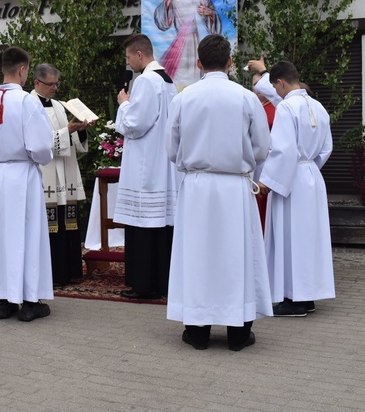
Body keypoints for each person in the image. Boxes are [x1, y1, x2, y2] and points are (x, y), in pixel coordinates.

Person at [166, 35, 273, 351]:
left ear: (198, 64)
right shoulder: (245, 97)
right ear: (229, 63)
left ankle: (197, 331)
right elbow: (262, 147)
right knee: (236, 255)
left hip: (198, 187)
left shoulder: (183, 98)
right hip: (233, 187)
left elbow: (172, 150)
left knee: (197, 255)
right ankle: (239, 332)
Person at [0, 46, 54, 322]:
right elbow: (41, 148)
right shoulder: (28, 102)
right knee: (28, 234)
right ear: (22, 70)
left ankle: (3, 301)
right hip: (24, 175)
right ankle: (30, 301)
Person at [257, 61, 335, 317]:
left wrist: (268, 181)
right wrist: (309, 167)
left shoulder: (288, 107)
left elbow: (283, 149)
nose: (275, 94)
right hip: (311, 175)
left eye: (275, 88)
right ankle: (307, 295)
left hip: (290, 179)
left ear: (280, 83)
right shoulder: (318, 106)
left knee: (291, 238)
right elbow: (326, 148)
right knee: (308, 239)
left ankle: (293, 299)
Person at [114, 34, 181, 300]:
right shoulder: (168, 81)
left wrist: (123, 104)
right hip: (163, 164)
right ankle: (162, 282)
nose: (128, 62)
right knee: (161, 226)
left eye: (129, 57)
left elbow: (135, 124)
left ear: (139, 55)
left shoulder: (145, 81)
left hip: (145, 167)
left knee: (143, 224)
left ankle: (143, 285)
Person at [30, 63, 89, 285]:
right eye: (51, 84)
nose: (55, 87)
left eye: (57, 83)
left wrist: (79, 132)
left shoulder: (58, 105)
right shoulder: (30, 105)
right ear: (37, 82)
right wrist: (68, 132)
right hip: (45, 173)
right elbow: (39, 142)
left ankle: (69, 271)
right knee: (50, 226)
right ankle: (52, 274)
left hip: (64, 171)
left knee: (67, 222)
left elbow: (69, 139)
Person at [154, 0, 222, 89]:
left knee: (200, 74)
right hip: (182, 45)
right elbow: (165, 22)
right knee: (182, 77)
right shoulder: (176, 0)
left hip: (201, 43)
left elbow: (215, 23)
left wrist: (209, 12)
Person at [252, 71, 276, 233]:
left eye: (261, 83)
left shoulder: (277, 106)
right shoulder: (252, 105)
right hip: (254, 163)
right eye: (254, 84)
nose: (258, 88)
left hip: (270, 159)